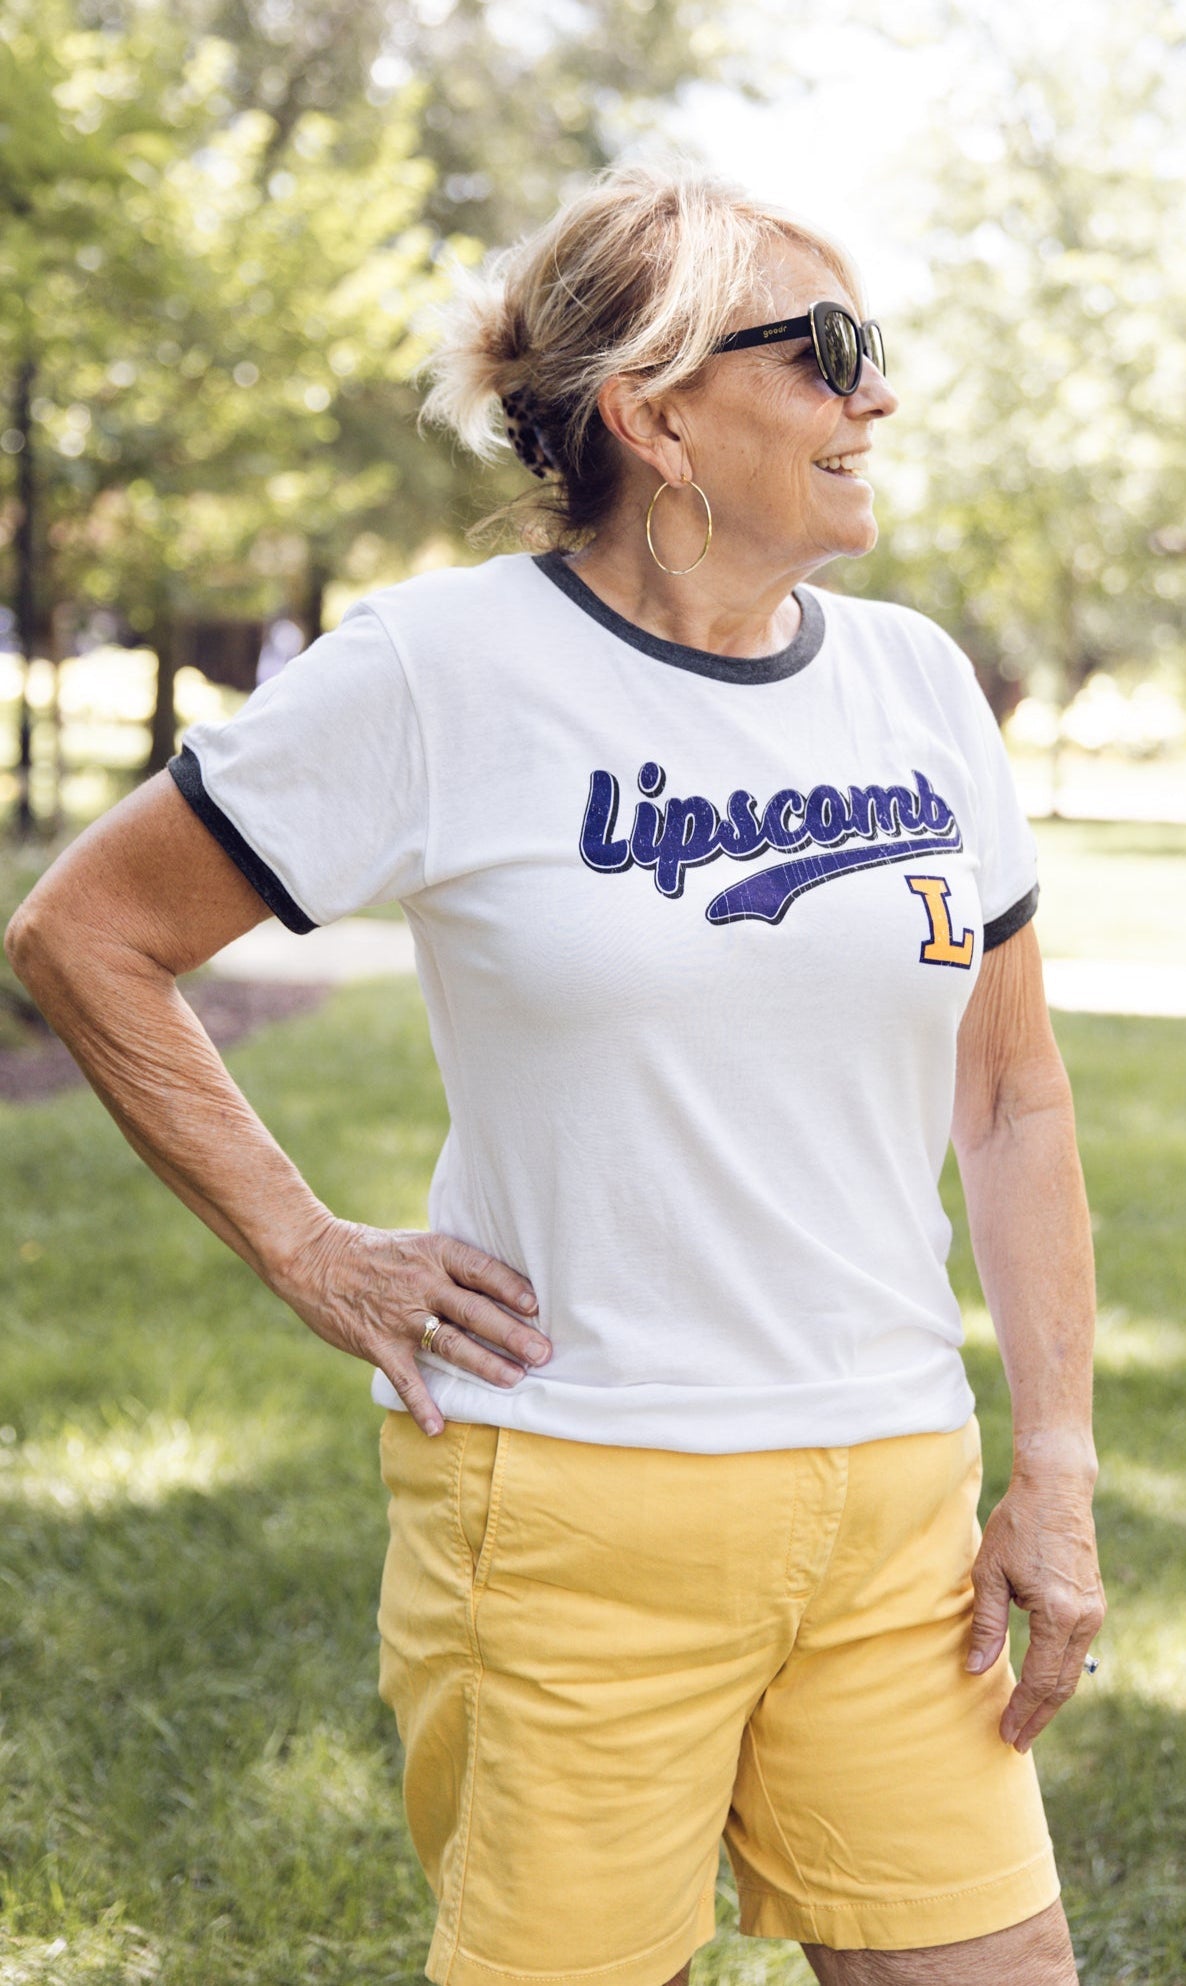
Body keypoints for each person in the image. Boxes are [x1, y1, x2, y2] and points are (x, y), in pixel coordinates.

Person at [6, 161, 1104, 1986]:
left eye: (871, 350)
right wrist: (306, 1246)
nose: (875, 398)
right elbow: (82, 931)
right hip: (577, 1499)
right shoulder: (444, 671)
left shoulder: (915, 685)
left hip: (894, 1504)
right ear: (651, 415)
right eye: (825, 353)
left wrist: (1051, 1465)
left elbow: (1012, 1097)